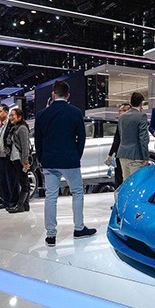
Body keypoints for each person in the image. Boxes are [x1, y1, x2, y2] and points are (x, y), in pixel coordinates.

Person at [35, 80, 96, 247]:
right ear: (68, 95)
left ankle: (51, 235)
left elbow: (38, 141)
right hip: (70, 160)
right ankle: (79, 228)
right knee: (77, 193)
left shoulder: (42, 114)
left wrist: (41, 158)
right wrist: (77, 155)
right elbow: (81, 138)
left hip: (49, 161)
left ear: (53, 94)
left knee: (51, 196)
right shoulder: (75, 112)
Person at [117, 92, 150, 180]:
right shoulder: (141, 116)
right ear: (142, 103)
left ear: (130, 103)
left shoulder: (122, 117)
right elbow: (143, 138)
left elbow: (121, 135)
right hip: (136, 155)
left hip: (123, 154)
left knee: (126, 183)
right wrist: (145, 157)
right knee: (137, 183)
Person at [6, 108, 32, 213]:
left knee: (24, 183)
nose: (10, 117)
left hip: (20, 159)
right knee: (24, 182)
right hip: (15, 159)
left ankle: (20, 206)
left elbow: (25, 146)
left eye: (13, 115)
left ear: (19, 117)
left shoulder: (22, 128)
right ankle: (26, 205)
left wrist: (25, 161)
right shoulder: (15, 128)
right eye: (10, 115)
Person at [0, 103, 17, 210]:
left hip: (9, 157)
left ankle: (13, 201)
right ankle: (6, 201)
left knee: (11, 180)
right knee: (2, 180)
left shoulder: (11, 124)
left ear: (6, 112)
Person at [105, 103, 131, 188]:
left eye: (123, 110)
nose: (121, 113)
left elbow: (117, 140)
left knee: (125, 177)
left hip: (128, 154)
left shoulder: (128, 123)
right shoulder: (120, 123)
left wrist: (110, 155)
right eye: (120, 111)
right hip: (120, 154)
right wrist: (110, 154)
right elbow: (116, 140)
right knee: (120, 177)